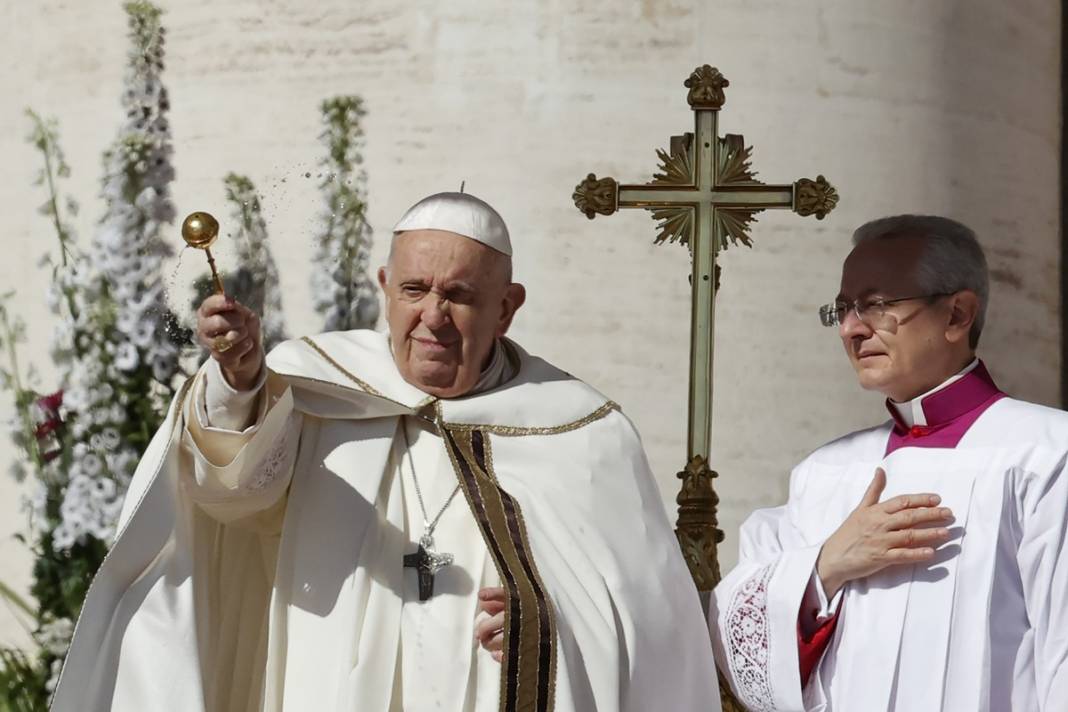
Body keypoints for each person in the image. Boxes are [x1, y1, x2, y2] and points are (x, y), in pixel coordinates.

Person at [50, 191, 719, 712]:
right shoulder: (311, 385)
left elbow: (654, 623)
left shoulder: (581, 428)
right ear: (383, 286)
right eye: (414, 290)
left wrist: (550, 628)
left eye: (459, 295)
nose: (432, 315)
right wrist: (240, 382)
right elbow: (229, 497)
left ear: (507, 307)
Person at [707, 215, 1068, 710]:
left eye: (876, 305)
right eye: (843, 309)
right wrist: (825, 566)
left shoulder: (1047, 453)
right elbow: (744, 639)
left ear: (957, 315)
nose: (851, 329)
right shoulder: (825, 472)